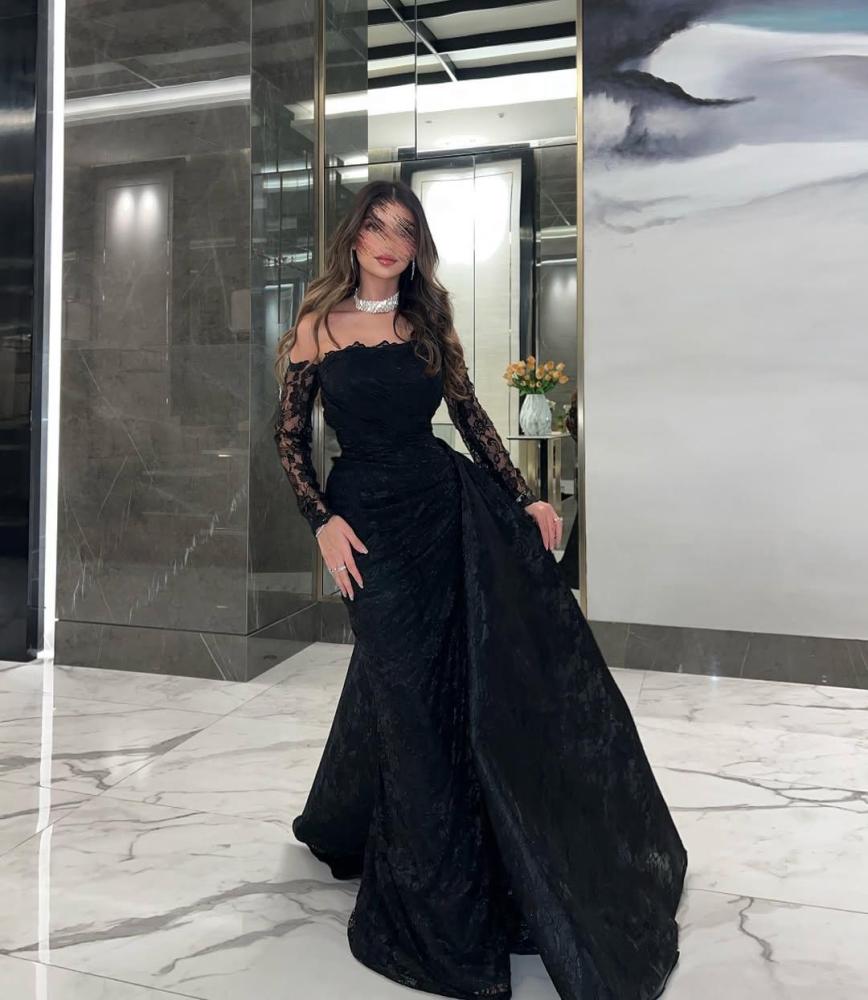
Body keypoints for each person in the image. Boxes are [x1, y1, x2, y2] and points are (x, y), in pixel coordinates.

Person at [273, 180, 687, 1000]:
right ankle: (435, 909)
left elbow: (471, 422)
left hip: (443, 511)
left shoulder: (429, 325)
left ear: (417, 247)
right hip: (367, 529)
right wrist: (321, 520)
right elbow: (288, 440)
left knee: (443, 687)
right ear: (354, 237)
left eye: (405, 230)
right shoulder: (316, 326)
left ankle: (472, 860)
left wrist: (525, 498)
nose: (389, 241)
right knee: (404, 690)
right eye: (376, 225)